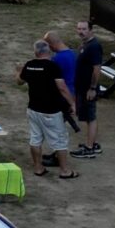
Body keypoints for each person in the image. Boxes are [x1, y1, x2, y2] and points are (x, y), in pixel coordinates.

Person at [17, 39, 78, 180]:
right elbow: (62, 87)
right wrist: (72, 103)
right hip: (51, 110)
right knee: (60, 140)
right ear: (48, 51)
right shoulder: (52, 67)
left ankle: (38, 168)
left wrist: (18, 71)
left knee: (35, 138)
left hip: (33, 109)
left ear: (35, 52)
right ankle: (65, 171)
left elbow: (19, 81)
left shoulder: (29, 65)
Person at [72, 19, 107, 157]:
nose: (81, 31)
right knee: (87, 117)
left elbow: (97, 69)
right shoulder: (85, 45)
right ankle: (92, 143)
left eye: (84, 29)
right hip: (81, 88)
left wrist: (92, 88)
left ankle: (89, 147)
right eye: (79, 29)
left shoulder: (94, 46)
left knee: (91, 117)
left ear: (91, 30)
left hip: (88, 89)